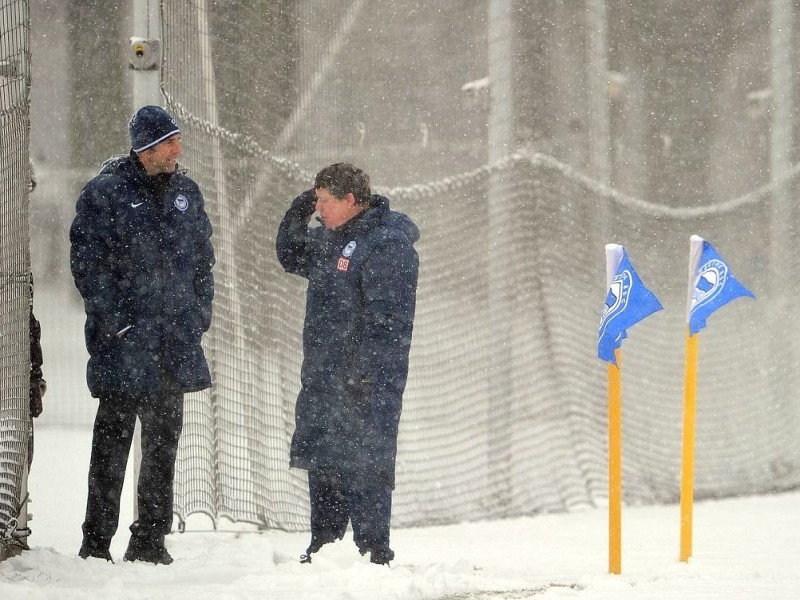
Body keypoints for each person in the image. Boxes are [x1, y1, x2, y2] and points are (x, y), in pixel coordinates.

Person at [70, 105, 215, 565]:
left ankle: (151, 541)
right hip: (123, 349)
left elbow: (202, 264)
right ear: (147, 148)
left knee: (162, 448)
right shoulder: (104, 193)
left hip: (173, 347)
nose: (178, 149)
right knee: (110, 450)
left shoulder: (187, 193)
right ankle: (96, 544)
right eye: (170, 142)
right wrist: (118, 324)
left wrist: (196, 317)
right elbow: (89, 266)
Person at [276, 163, 419, 565]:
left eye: (324, 201)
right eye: (316, 200)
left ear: (351, 201)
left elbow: (390, 321)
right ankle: (326, 547)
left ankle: (372, 551)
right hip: (323, 374)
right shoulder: (327, 240)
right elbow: (289, 255)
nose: (319, 209)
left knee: (366, 463)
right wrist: (299, 208)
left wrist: (366, 372)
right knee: (323, 458)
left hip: (366, 381)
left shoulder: (387, 244)